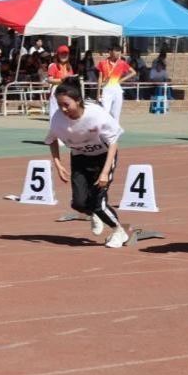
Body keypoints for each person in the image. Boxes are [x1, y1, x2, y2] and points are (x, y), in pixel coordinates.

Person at [45, 79, 128, 248]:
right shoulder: (58, 119)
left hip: (103, 157)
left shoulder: (96, 115)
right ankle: (95, 214)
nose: (63, 109)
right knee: (78, 203)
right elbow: (51, 140)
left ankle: (119, 231)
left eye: (66, 105)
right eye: (59, 105)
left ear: (78, 101)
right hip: (80, 159)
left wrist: (105, 172)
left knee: (98, 203)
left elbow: (113, 143)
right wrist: (58, 165)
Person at [96, 45, 136, 120]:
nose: (118, 53)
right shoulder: (102, 63)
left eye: (119, 51)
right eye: (116, 51)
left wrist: (121, 80)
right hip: (106, 89)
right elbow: (100, 78)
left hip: (117, 89)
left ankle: (115, 126)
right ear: (110, 52)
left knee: (116, 114)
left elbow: (133, 72)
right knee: (104, 112)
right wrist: (98, 94)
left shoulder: (122, 63)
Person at [46, 45, 75, 118]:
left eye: (65, 54)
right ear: (58, 55)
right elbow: (49, 80)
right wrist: (61, 80)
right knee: (54, 110)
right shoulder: (54, 66)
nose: (64, 56)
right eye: (62, 54)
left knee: (66, 111)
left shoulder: (69, 67)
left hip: (67, 89)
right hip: (57, 89)